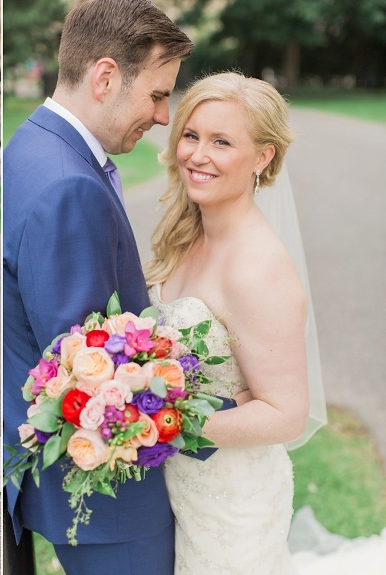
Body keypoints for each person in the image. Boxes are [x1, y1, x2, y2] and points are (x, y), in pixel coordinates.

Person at [3, 0, 194, 572]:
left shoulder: (32, 147)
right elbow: (89, 371)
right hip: (110, 505)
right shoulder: (69, 187)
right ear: (106, 77)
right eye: (158, 95)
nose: (164, 116)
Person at [144, 71, 310, 573]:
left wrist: (154, 425)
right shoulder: (187, 234)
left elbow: (286, 413)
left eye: (221, 142)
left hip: (232, 507)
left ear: (262, 157)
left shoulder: (256, 267)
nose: (197, 155)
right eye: (191, 136)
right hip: (178, 489)